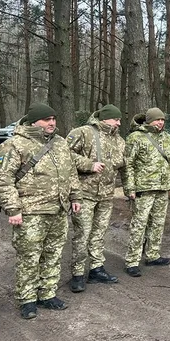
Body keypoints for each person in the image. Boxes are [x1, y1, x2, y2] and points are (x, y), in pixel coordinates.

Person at [0, 103, 81, 320]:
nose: (52, 123)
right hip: (30, 211)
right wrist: (13, 208)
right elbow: (2, 179)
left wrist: (75, 196)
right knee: (29, 256)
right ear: (34, 122)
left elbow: (71, 173)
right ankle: (27, 299)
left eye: (53, 119)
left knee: (53, 253)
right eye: (46, 119)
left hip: (58, 209)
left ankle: (47, 294)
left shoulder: (60, 143)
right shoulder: (15, 145)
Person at [66, 104, 125, 293]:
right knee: (82, 234)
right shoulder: (83, 133)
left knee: (99, 233)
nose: (119, 123)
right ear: (105, 118)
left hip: (106, 194)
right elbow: (64, 155)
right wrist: (88, 164)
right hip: (84, 194)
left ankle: (96, 269)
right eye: (116, 119)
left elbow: (122, 164)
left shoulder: (119, 140)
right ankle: (77, 274)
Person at [122, 108, 170, 277]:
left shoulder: (167, 137)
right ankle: (132, 260)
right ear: (149, 121)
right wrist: (129, 188)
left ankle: (153, 255)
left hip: (162, 187)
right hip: (143, 188)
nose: (160, 123)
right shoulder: (135, 137)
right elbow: (128, 165)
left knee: (158, 223)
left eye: (162, 120)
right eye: (157, 120)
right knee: (139, 225)